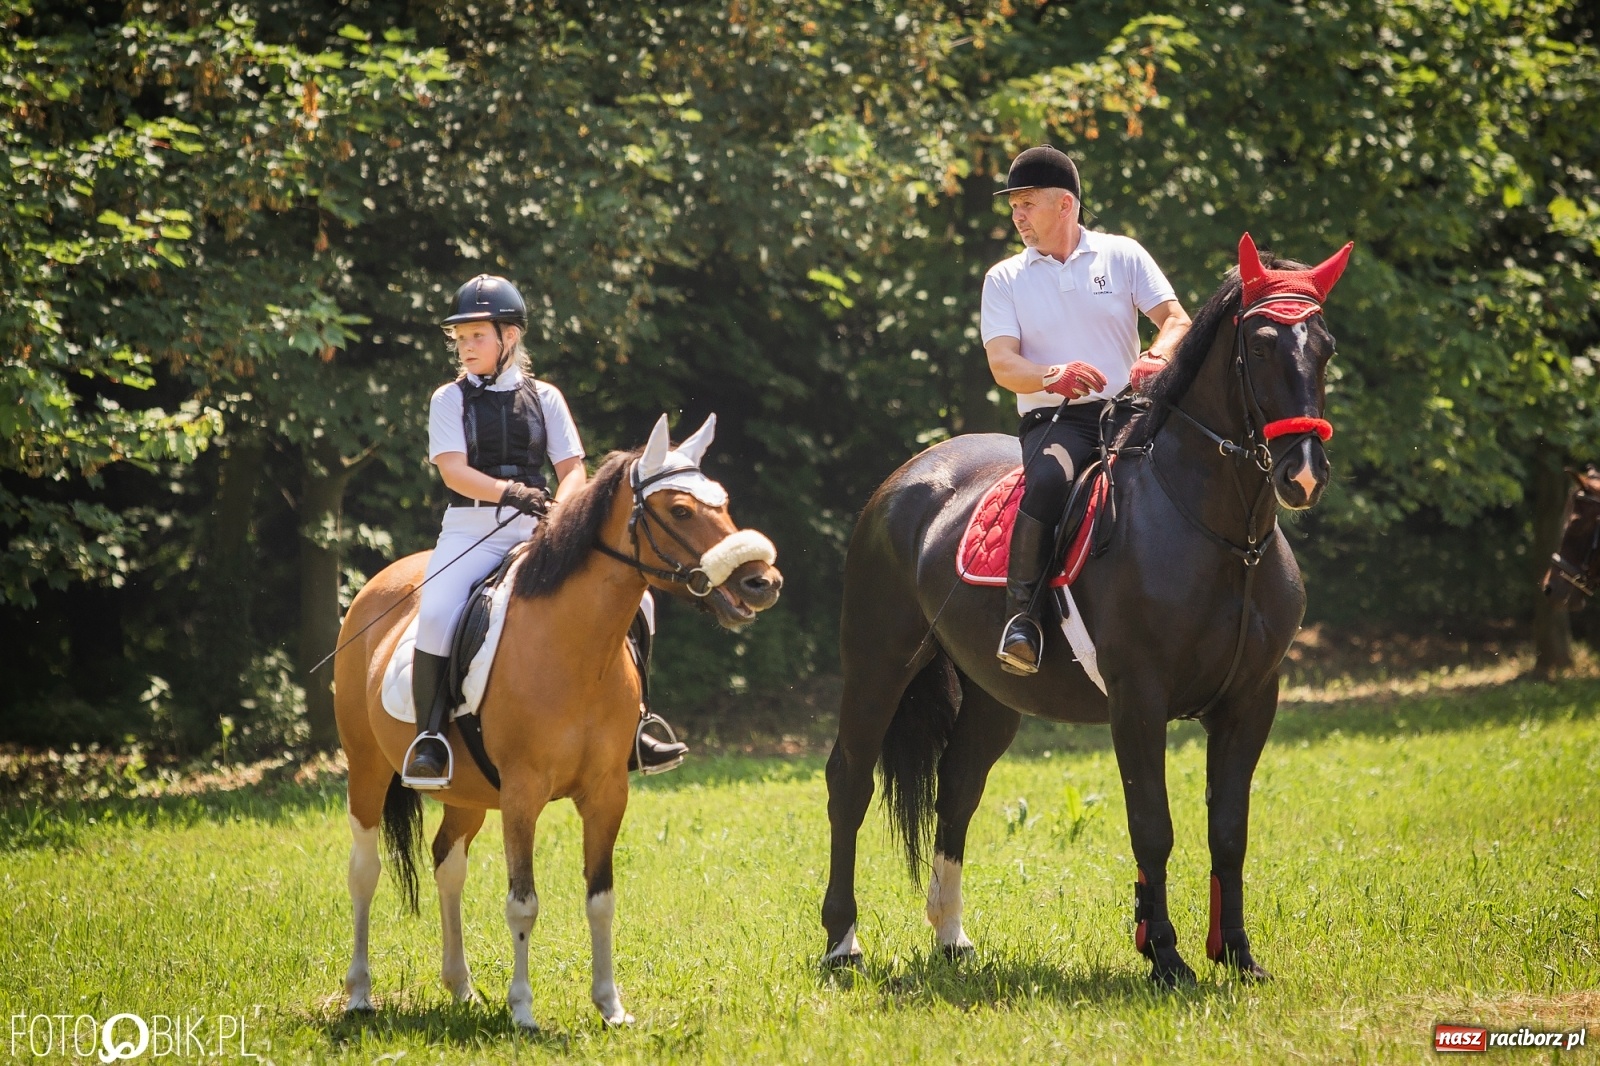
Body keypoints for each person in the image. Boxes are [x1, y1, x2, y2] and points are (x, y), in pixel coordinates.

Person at [402, 274, 687, 788]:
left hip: (539, 530)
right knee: (440, 609)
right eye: (461, 338)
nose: (466, 347)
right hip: (472, 531)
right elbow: (452, 471)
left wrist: (562, 510)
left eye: (477, 337)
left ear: (509, 337)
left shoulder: (546, 397)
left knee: (639, 600)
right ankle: (430, 739)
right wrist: (510, 492)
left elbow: (573, 469)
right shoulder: (449, 399)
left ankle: (640, 722)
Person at [980, 146, 1192, 675]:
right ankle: (1021, 620)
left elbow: (1176, 319)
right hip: (1057, 419)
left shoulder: (1123, 254)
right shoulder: (1004, 278)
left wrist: (1157, 356)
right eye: (1015, 207)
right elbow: (1003, 365)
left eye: (1027, 204)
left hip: (1131, 411)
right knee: (1049, 481)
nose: (1017, 216)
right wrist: (1053, 376)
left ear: (1066, 205)